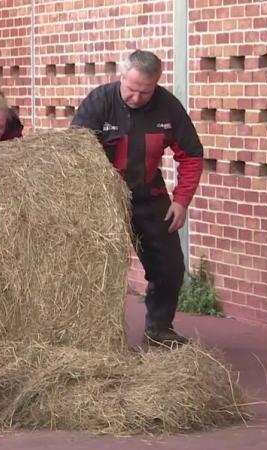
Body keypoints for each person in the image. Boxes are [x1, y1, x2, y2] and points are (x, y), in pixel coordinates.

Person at [72, 50, 203, 346]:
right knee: (97, 266)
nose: (135, 98)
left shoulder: (168, 108)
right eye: (130, 89)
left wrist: (181, 200)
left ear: (155, 84)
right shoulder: (99, 102)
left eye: (145, 92)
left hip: (148, 196)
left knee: (170, 265)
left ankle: (158, 331)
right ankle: (94, 337)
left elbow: (192, 154)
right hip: (103, 199)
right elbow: (74, 155)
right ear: (122, 76)